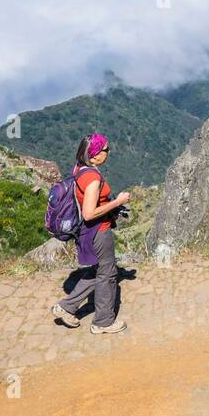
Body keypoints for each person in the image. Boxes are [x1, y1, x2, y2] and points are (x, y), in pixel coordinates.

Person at [51, 133, 130, 334]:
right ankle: (103, 322)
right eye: (105, 150)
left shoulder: (80, 169)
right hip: (98, 230)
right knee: (108, 274)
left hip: (87, 233)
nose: (108, 152)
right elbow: (88, 213)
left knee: (99, 270)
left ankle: (67, 307)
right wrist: (118, 202)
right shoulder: (93, 178)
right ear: (94, 155)